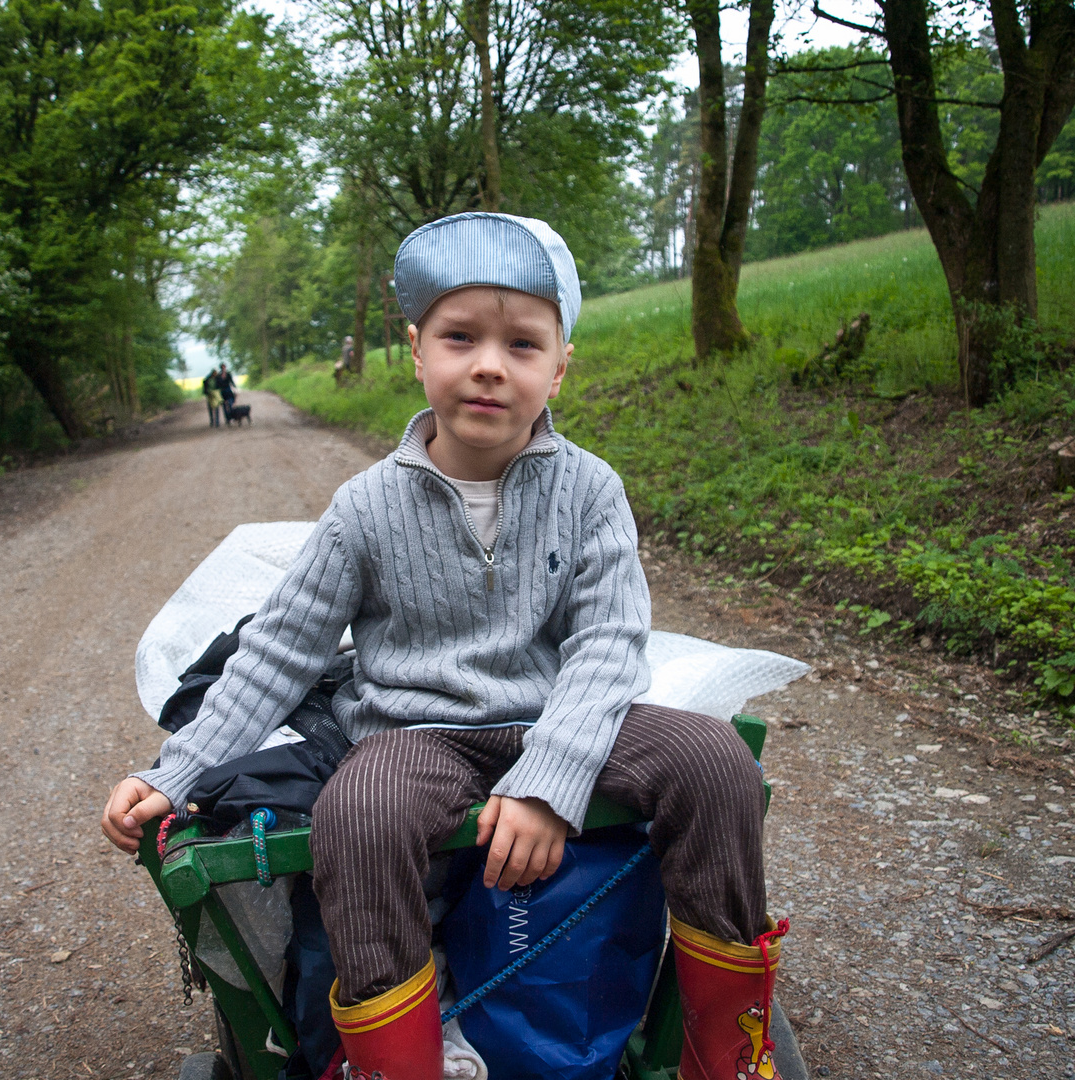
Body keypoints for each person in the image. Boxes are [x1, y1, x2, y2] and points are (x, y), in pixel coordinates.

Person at [102, 213, 788, 1080]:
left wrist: (549, 780)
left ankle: (722, 1047)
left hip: (555, 716)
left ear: (560, 368)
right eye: (461, 337)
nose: (490, 365)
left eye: (524, 345)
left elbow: (610, 644)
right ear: (418, 350)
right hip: (413, 734)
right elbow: (279, 653)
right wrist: (174, 771)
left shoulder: (589, 489)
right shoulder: (365, 507)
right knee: (357, 813)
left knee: (716, 759)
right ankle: (398, 1060)